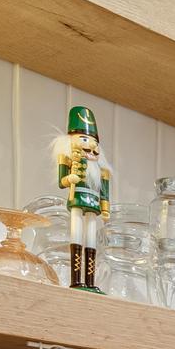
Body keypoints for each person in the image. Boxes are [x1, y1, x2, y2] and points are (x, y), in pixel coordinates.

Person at [51, 106, 111, 290]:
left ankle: (91, 282)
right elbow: (62, 181)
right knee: (76, 234)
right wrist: (70, 178)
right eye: (84, 139)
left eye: (94, 143)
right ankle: (77, 279)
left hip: (93, 204)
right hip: (77, 201)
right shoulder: (69, 161)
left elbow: (104, 192)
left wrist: (105, 208)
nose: (91, 146)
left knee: (91, 239)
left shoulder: (101, 172)